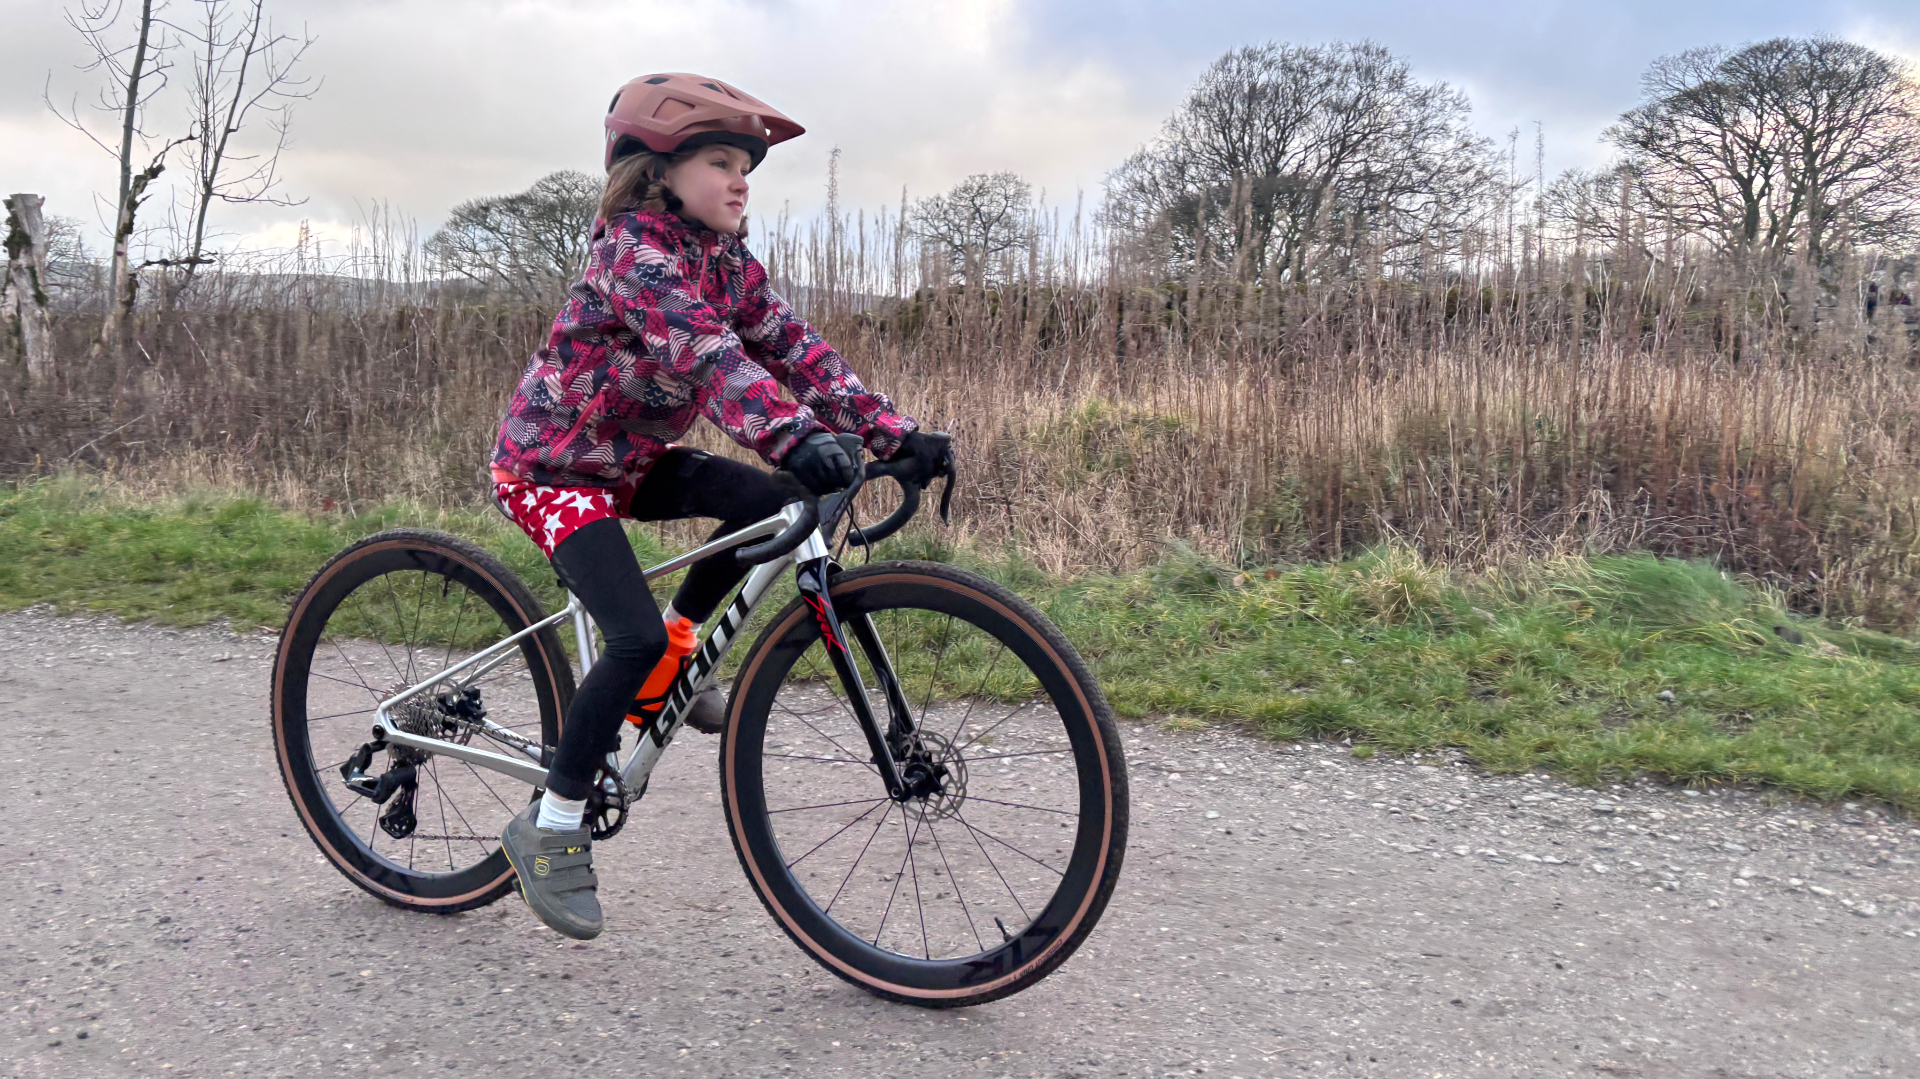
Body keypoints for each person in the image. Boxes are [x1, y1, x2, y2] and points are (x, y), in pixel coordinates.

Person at [487, 72, 946, 940]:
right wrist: (788, 433)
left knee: (774, 502)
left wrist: (894, 431)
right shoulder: (632, 253)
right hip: (550, 469)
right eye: (719, 161)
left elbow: (796, 350)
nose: (740, 180)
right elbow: (707, 355)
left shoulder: (728, 262)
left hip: (632, 461)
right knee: (630, 637)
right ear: (659, 172)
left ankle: (673, 668)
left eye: (746, 165)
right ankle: (548, 828)